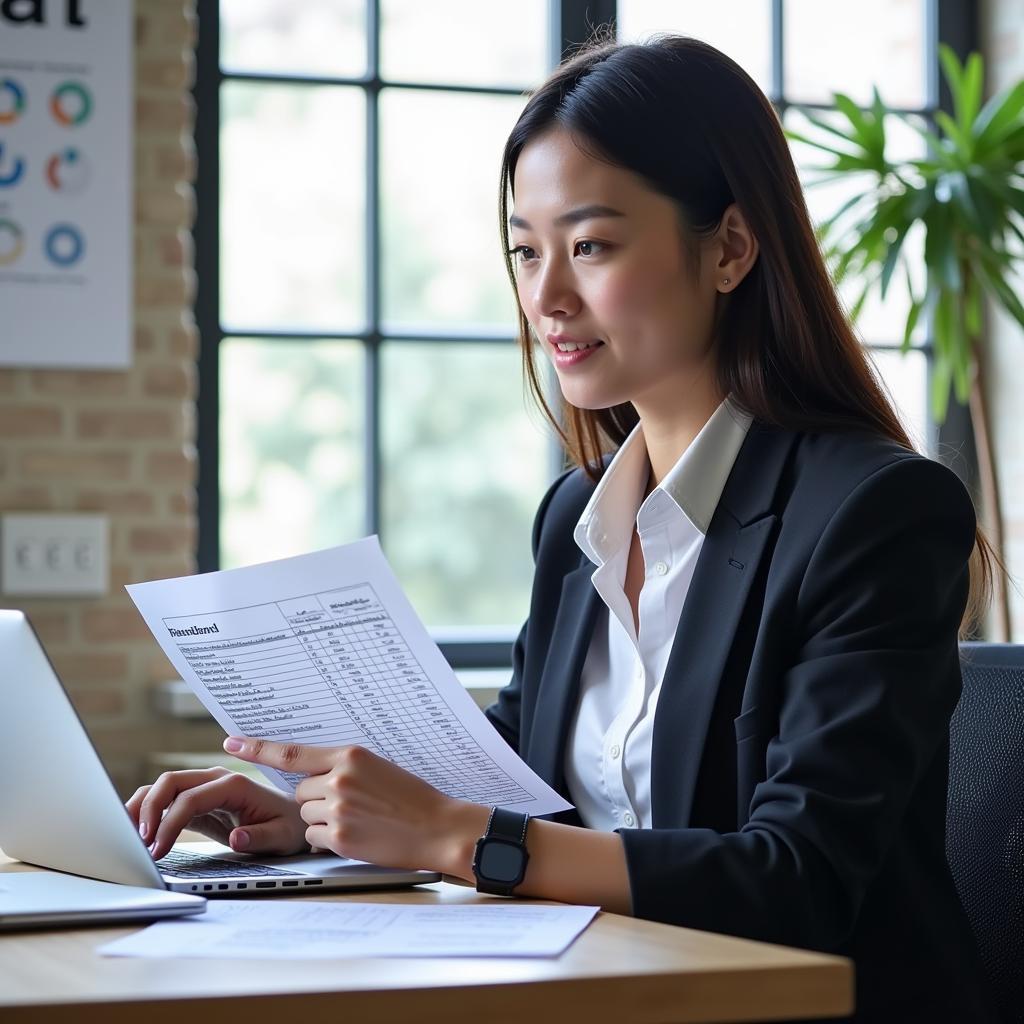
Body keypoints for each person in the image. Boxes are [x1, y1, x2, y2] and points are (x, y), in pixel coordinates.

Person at [126, 31, 1004, 1023]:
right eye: (524, 248)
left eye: (590, 244)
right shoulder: (574, 517)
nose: (545, 296)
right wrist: (323, 820)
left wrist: (453, 838)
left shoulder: (874, 513)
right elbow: (524, 768)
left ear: (728, 248)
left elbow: (795, 877)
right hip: (609, 991)